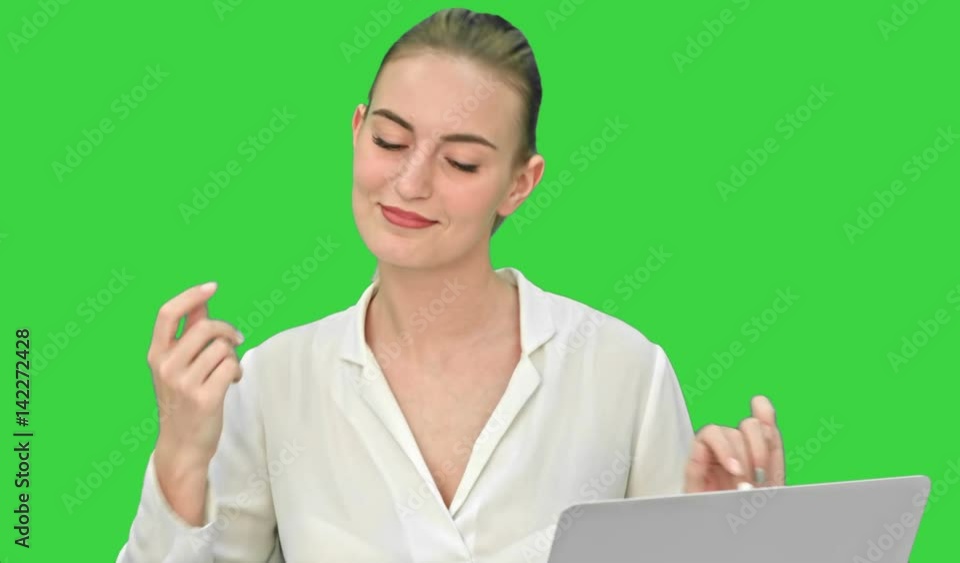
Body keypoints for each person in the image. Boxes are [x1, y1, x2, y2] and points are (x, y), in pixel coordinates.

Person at [117, 7, 785, 562]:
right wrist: (179, 455)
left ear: (520, 183)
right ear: (356, 131)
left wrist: (730, 538)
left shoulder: (623, 372)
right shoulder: (272, 382)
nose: (411, 182)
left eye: (461, 160)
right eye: (389, 141)